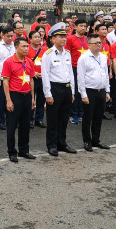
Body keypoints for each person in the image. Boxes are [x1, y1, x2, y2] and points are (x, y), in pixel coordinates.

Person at [41, 24, 75, 156]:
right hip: (54, 88)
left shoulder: (67, 53)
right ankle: (52, 145)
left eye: (65, 36)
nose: (64, 39)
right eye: (60, 37)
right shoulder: (48, 54)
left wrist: (72, 91)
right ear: (53, 39)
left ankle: (62, 143)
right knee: (53, 119)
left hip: (66, 88)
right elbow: (45, 75)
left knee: (64, 118)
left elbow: (70, 73)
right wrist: (48, 94)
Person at [1, 37, 36, 163]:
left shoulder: (29, 62)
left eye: (27, 46)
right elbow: (6, 82)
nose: (26, 49)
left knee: (25, 125)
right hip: (15, 96)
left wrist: (32, 97)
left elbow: (31, 80)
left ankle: (24, 150)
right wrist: (8, 100)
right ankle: (12, 151)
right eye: (23, 46)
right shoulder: (9, 62)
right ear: (16, 47)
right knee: (11, 126)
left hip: (27, 96)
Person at [76, 33, 111, 152]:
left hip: (101, 91)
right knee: (88, 117)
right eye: (96, 43)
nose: (98, 45)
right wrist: (83, 94)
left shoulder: (103, 57)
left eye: (100, 42)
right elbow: (80, 78)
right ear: (89, 44)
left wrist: (107, 90)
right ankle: (87, 141)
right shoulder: (84, 58)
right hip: (89, 91)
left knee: (98, 117)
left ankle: (96, 139)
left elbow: (105, 75)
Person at [65, 19, 89, 125]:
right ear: (76, 27)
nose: (83, 28)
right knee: (74, 91)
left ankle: (81, 113)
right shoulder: (70, 39)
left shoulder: (87, 39)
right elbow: (67, 54)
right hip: (74, 68)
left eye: (85, 26)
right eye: (81, 26)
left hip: (85, 69)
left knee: (83, 90)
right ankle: (73, 114)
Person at [0, 26, 15, 130]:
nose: (10, 38)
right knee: (1, 101)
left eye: (12, 36)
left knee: (13, 100)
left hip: (14, 78)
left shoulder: (15, 45)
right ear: (2, 35)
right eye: (8, 36)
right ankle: (0, 122)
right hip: (2, 76)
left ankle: (11, 120)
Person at [27, 30, 49, 129]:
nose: (37, 39)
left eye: (39, 37)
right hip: (31, 78)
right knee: (31, 99)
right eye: (35, 37)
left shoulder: (45, 49)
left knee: (41, 99)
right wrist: (33, 73)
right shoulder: (27, 49)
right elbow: (25, 63)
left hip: (42, 77)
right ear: (30, 39)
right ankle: (30, 119)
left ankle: (39, 119)